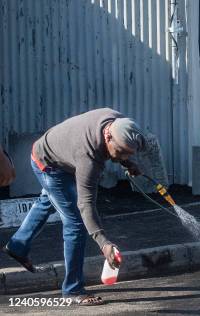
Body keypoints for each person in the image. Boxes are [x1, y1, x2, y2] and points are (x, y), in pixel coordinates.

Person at [3, 108, 145, 306]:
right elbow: (86, 204)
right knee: (76, 223)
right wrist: (103, 242)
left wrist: (127, 162)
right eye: (120, 152)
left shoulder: (119, 122)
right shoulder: (89, 157)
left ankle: (18, 245)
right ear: (108, 136)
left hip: (62, 154)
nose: (121, 156)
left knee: (49, 201)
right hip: (49, 164)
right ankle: (72, 290)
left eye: (126, 153)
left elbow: (123, 145)